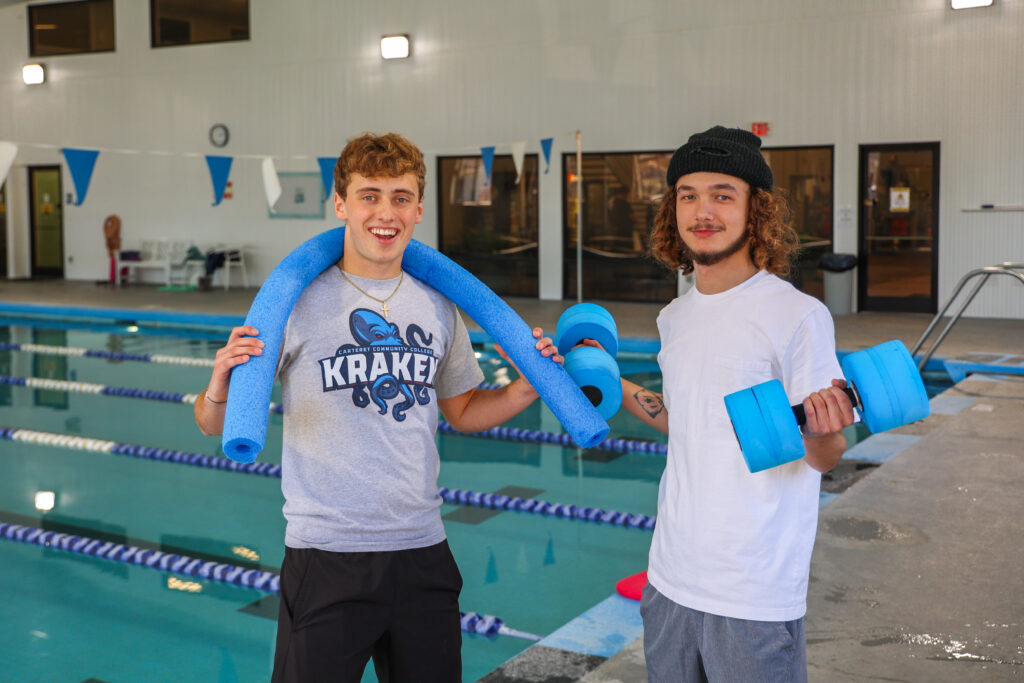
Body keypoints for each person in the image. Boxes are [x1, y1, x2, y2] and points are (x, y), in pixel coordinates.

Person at [193, 132, 563, 683]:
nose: (384, 213)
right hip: (327, 557)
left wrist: (524, 390)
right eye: (369, 195)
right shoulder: (295, 302)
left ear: (417, 210)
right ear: (341, 204)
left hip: (423, 552)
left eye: (400, 197)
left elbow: (462, 410)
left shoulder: (438, 304)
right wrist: (222, 380)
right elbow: (213, 423)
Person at [618, 126, 854, 681]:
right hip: (670, 580)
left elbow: (825, 455)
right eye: (688, 195)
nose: (703, 211)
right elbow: (689, 422)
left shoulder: (796, 315)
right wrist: (605, 383)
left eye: (723, 195)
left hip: (752, 595)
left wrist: (822, 429)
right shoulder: (674, 318)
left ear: (756, 211)